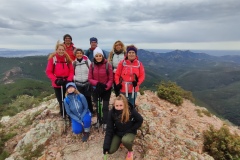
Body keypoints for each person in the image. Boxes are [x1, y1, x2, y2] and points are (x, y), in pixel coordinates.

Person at [103, 94, 143, 160]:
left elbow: (140, 120)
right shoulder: (111, 113)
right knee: (109, 150)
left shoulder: (130, 110)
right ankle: (120, 141)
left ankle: (130, 151)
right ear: (114, 105)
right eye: (117, 106)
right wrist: (106, 146)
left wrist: (132, 129)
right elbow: (109, 129)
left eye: (121, 105)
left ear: (125, 104)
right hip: (118, 132)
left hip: (129, 131)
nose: (119, 108)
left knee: (126, 141)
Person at [46, 41, 74, 117]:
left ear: (64, 50)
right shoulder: (53, 59)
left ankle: (70, 113)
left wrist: (69, 79)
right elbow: (49, 72)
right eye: (59, 49)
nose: (61, 51)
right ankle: (63, 113)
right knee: (61, 100)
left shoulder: (67, 59)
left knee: (70, 98)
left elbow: (71, 71)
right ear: (56, 50)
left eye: (62, 50)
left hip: (67, 82)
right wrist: (56, 80)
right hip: (57, 82)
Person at [88, 47, 113, 131]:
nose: (98, 57)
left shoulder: (107, 65)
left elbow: (111, 78)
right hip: (96, 89)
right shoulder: (92, 65)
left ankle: (105, 122)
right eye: (97, 56)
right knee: (98, 106)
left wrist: (106, 86)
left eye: (100, 55)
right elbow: (90, 78)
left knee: (105, 107)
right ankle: (99, 120)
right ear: (94, 56)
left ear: (102, 56)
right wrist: (97, 84)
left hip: (106, 89)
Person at [73, 48, 93, 114]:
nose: (79, 54)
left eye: (80, 53)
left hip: (87, 83)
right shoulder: (74, 63)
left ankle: (90, 111)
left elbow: (91, 70)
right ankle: (82, 112)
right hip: (78, 84)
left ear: (82, 54)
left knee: (88, 98)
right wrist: (74, 78)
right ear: (75, 54)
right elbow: (71, 73)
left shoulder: (87, 61)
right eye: (77, 53)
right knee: (80, 99)